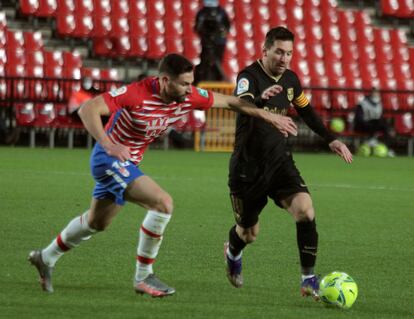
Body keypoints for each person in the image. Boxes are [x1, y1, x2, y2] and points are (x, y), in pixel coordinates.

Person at [28, 53, 298, 297]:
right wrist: (108, 143)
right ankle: (143, 277)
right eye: (183, 84)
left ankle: (46, 257)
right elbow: (89, 108)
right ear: (165, 80)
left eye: (190, 83)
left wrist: (266, 114)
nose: (189, 89)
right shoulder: (137, 93)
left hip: (128, 163)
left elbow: (229, 101)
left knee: (96, 222)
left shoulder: (188, 95)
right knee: (162, 203)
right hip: (109, 159)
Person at [223, 27, 353, 299]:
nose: (284, 58)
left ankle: (308, 279)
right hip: (248, 168)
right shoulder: (249, 76)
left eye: (289, 53)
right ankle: (232, 251)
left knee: (305, 210)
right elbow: (241, 103)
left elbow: (306, 110)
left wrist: (331, 139)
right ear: (265, 50)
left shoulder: (292, 80)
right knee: (248, 233)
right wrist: (264, 106)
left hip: (279, 162)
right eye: (279, 52)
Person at [194, 0, 230, 83]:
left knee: (217, 63)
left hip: (219, 43)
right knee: (205, 64)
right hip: (206, 42)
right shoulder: (202, 13)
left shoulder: (221, 12)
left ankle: (217, 81)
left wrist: (221, 32)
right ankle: (202, 81)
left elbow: (227, 27)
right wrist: (205, 34)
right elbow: (197, 28)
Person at [353, 87, 394, 155]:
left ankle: (387, 148)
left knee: (386, 127)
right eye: (374, 92)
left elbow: (380, 117)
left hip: (375, 125)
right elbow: (359, 119)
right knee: (376, 123)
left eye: (377, 93)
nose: (375, 94)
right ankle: (371, 141)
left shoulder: (379, 104)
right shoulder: (363, 104)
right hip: (362, 125)